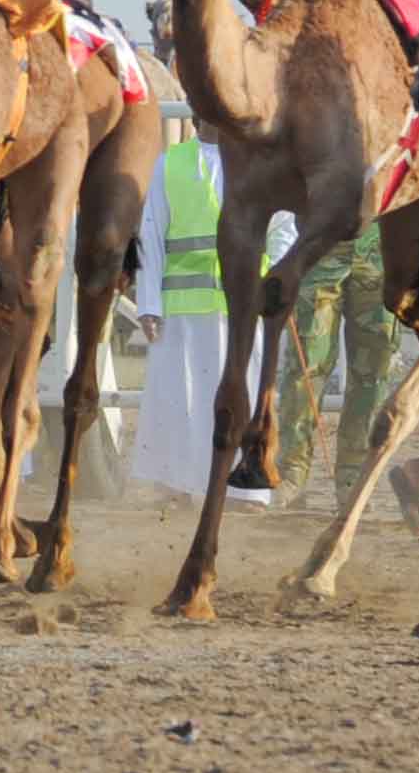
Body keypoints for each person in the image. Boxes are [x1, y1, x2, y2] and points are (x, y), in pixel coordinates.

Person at [131, 134, 275, 506]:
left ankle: (247, 488)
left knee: (246, 394)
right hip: (181, 309)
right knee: (180, 397)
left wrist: (276, 279)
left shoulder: (260, 159)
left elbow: (283, 226)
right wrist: (148, 303)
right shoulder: (170, 164)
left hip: (244, 308)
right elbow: (151, 233)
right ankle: (175, 483)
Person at [275, 218, 399, 491]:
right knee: (306, 365)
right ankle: (292, 472)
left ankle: (354, 476)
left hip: (381, 250)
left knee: (374, 371)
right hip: (320, 245)